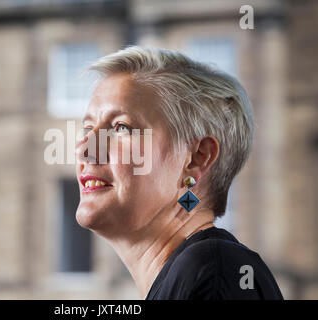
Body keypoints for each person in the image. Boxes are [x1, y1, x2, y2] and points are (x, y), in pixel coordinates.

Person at [74, 46, 283, 300]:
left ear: (196, 158)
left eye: (121, 127)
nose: (84, 150)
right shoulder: (201, 274)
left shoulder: (213, 274)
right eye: (88, 129)